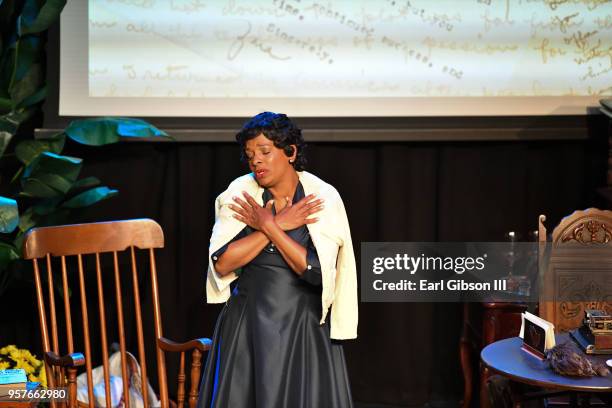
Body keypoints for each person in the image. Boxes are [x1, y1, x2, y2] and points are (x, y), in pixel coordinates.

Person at [198, 112, 358, 408]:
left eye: (264, 152)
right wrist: (278, 224)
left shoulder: (321, 197)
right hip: (247, 326)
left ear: (290, 152)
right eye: (249, 155)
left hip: (302, 326)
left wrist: (268, 225)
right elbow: (222, 263)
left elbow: (318, 273)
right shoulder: (241, 193)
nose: (255, 161)